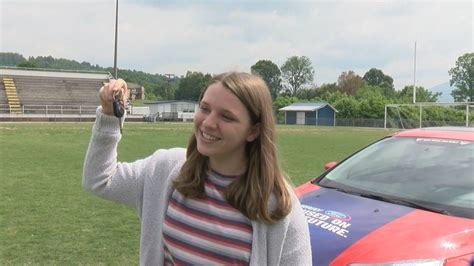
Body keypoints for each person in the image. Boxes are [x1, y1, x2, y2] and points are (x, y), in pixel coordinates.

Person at [83, 71, 312, 265]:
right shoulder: (166, 169)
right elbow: (100, 180)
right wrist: (110, 115)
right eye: (205, 108)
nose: (208, 122)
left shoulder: (280, 208)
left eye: (227, 117)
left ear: (253, 131)